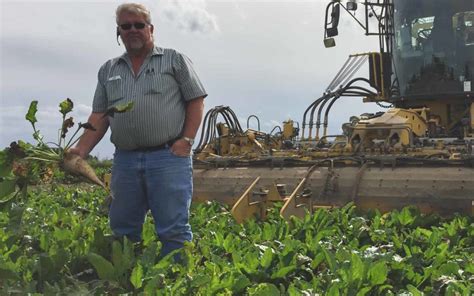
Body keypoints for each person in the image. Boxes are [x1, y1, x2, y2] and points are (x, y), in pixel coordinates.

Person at [69, 3, 207, 257]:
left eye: (138, 25)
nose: (132, 30)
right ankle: (125, 280)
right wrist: (81, 150)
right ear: (118, 32)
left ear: (150, 28)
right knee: (123, 227)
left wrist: (186, 140)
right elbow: (100, 114)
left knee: (174, 228)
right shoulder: (109, 70)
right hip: (126, 160)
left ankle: (179, 282)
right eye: (126, 26)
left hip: (168, 157)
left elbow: (195, 100)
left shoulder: (174, 60)